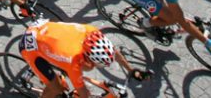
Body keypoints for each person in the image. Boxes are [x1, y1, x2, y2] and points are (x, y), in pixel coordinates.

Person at [19, 21, 150, 98]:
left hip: (46, 31)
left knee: (82, 69)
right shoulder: (73, 59)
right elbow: (83, 93)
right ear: (89, 56)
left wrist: (131, 70)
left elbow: (114, 52)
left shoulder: (93, 33)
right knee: (56, 88)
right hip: (31, 46)